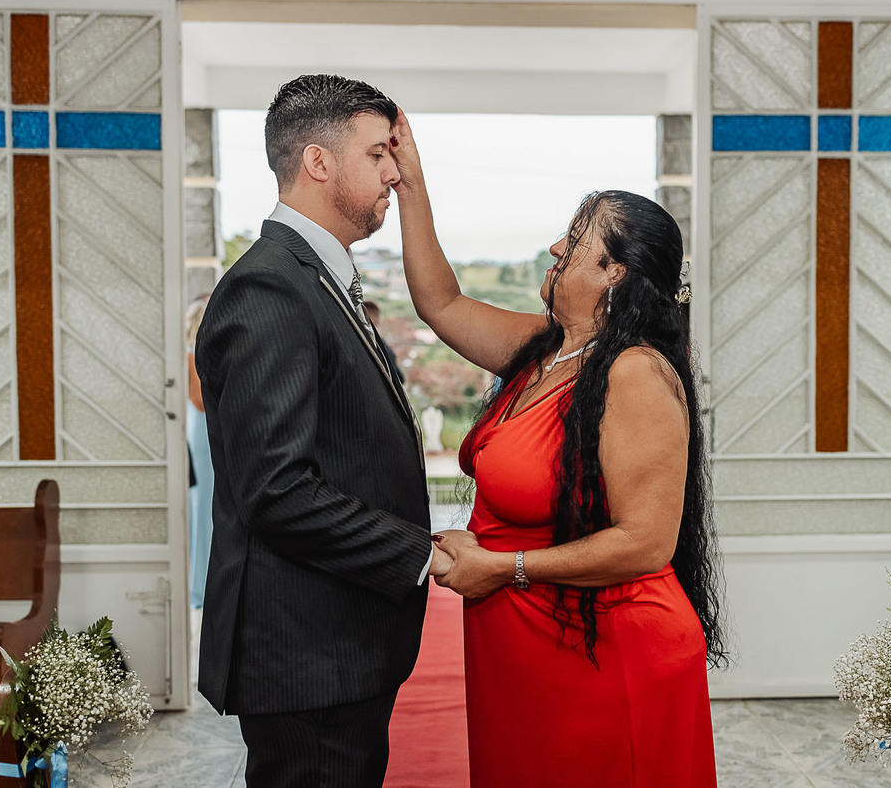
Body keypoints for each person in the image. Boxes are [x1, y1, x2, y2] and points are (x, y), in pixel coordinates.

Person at [390, 110, 727, 787]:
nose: (553, 247)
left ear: (613, 271)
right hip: (532, 650)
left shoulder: (635, 372)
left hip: (607, 657)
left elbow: (645, 544)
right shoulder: (545, 348)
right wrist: (411, 186)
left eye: (573, 241)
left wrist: (504, 566)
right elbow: (441, 303)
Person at [194, 76, 452, 788]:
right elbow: (277, 491)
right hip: (307, 654)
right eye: (377, 154)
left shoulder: (314, 275)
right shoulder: (269, 287)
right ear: (318, 161)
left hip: (338, 642)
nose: (394, 173)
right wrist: (420, 554)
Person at [186, 293, 213, 610]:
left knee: (207, 506)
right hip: (202, 431)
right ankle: (199, 586)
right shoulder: (192, 354)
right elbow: (199, 400)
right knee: (203, 506)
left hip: (205, 430)